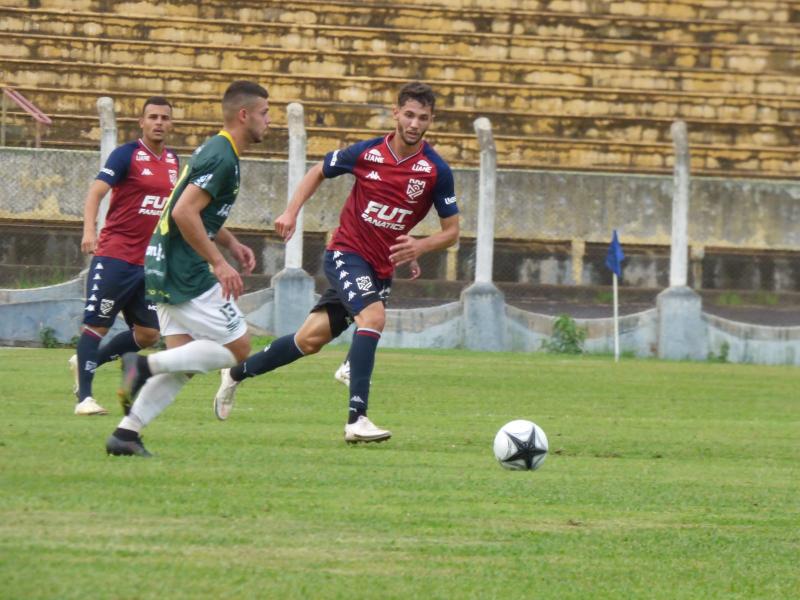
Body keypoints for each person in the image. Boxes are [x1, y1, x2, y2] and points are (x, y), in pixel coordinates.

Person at [214, 81, 460, 444]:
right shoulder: (368, 153)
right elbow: (318, 170)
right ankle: (356, 419)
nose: (414, 123)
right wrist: (291, 211)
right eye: (408, 114)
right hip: (346, 254)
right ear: (396, 113)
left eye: (422, 118)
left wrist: (420, 247)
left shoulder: (435, 170)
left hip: (380, 268)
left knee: (308, 340)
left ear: (430, 120)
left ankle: (235, 374)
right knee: (373, 318)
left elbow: (452, 231)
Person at [104, 81, 270, 456]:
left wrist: (231, 243)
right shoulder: (222, 156)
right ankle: (139, 367)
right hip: (187, 271)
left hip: (165, 263)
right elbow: (183, 212)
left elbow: (192, 206)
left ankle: (125, 435)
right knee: (240, 348)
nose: (269, 121)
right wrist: (218, 262)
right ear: (244, 115)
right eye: (264, 113)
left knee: (184, 364)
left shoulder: (217, 150)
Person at [69, 96, 178, 416]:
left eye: (164, 118)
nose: (159, 122)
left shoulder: (173, 161)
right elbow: (96, 192)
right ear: (141, 123)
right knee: (96, 325)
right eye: (153, 117)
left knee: (148, 333)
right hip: (115, 256)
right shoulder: (125, 155)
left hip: (148, 262)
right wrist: (90, 230)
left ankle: (85, 360)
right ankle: (84, 399)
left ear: (171, 124)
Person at [332, 259, 421, 387]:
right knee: (370, 318)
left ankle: (348, 366)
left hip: (383, 271)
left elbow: (398, 239)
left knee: (373, 319)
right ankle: (349, 367)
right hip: (363, 267)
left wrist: (412, 259)